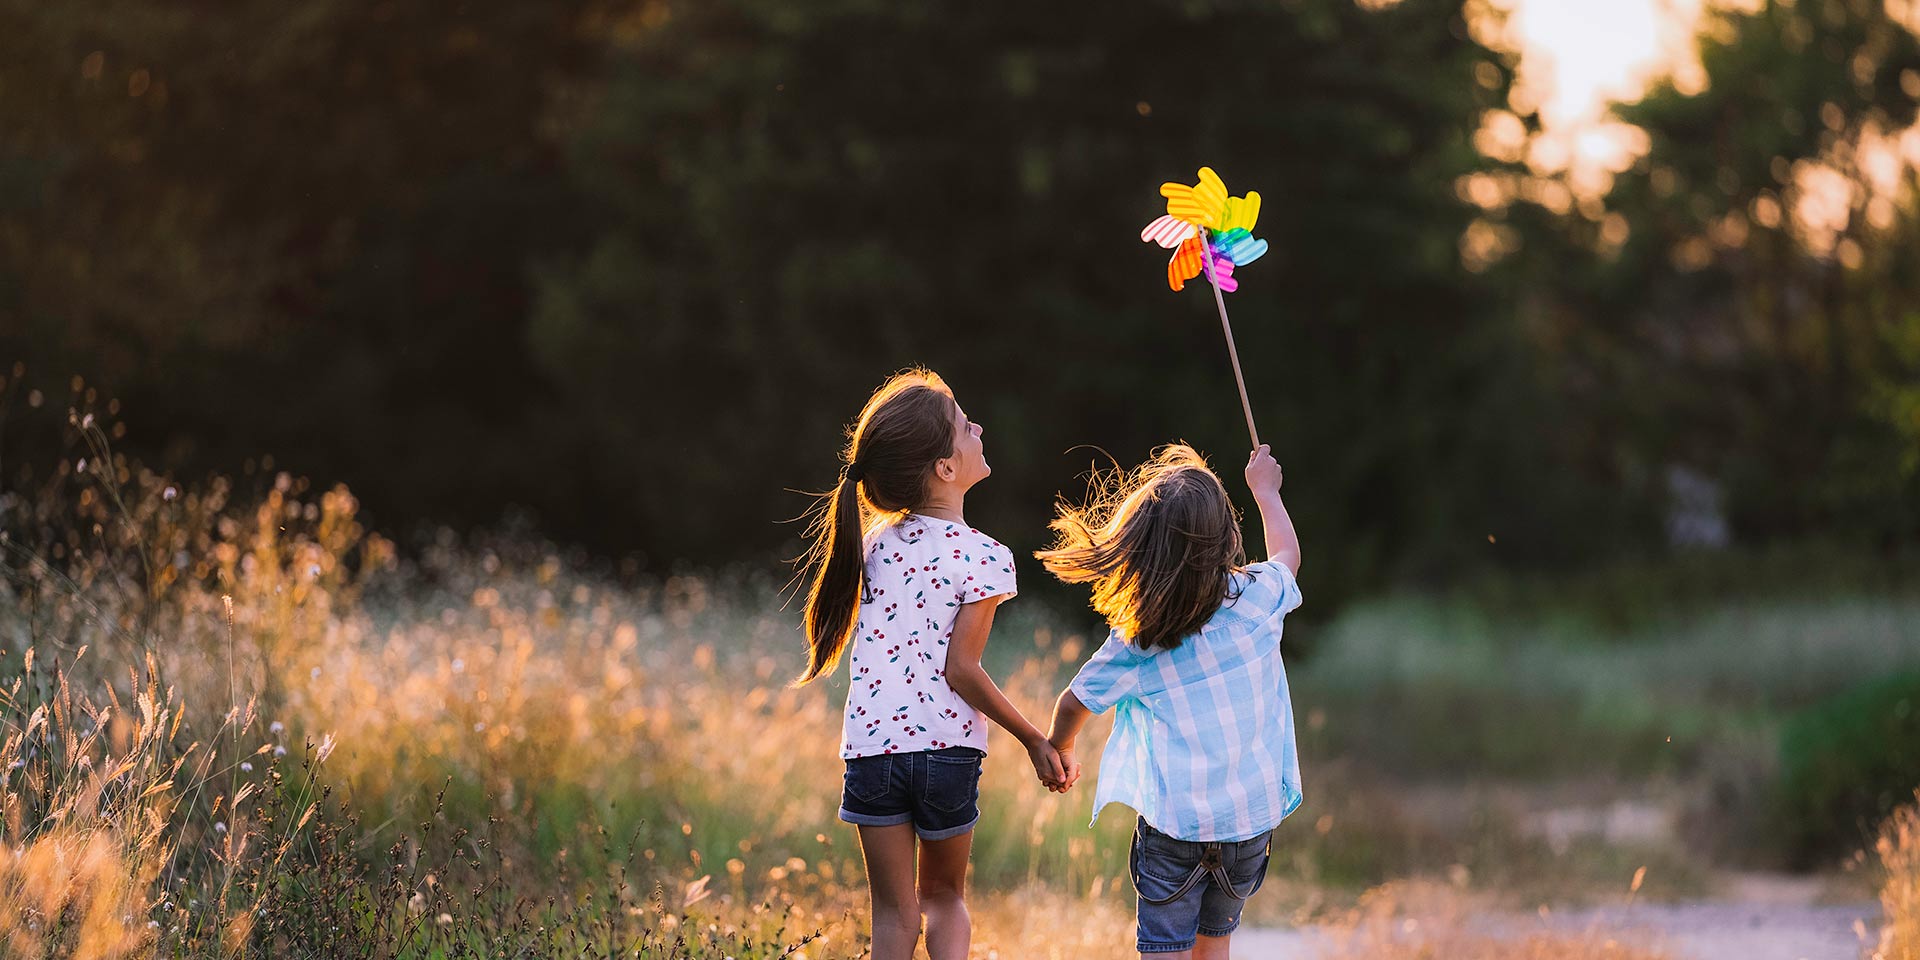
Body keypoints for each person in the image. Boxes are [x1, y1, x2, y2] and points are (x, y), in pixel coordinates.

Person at [795, 368, 1067, 960]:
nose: (977, 428)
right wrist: (1033, 739)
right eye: (963, 425)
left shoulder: (867, 547)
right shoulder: (987, 556)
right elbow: (961, 671)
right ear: (945, 468)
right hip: (946, 751)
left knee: (893, 915)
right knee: (944, 897)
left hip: (871, 751)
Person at [1040, 443, 1304, 959]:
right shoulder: (1260, 599)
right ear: (1229, 536)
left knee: (1165, 951)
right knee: (1215, 947)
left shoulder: (1141, 638)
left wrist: (1059, 748)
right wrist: (1266, 494)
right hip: (1247, 827)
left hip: (1175, 830)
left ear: (1145, 549)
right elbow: (1287, 556)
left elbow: (1075, 701)